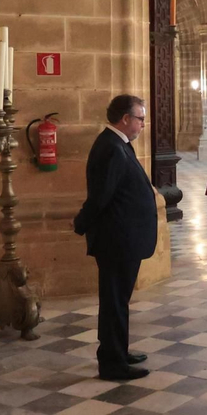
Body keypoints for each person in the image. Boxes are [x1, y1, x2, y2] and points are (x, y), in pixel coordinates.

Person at [73, 95, 160, 381]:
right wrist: (81, 223)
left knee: (119, 300)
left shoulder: (118, 145)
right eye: (140, 118)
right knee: (113, 301)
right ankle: (112, 362)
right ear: (125, 119)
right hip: (116, 240)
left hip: (124, 238)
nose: (143, 124)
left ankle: (118, 352)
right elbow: (101, 196)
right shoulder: (111, 148)